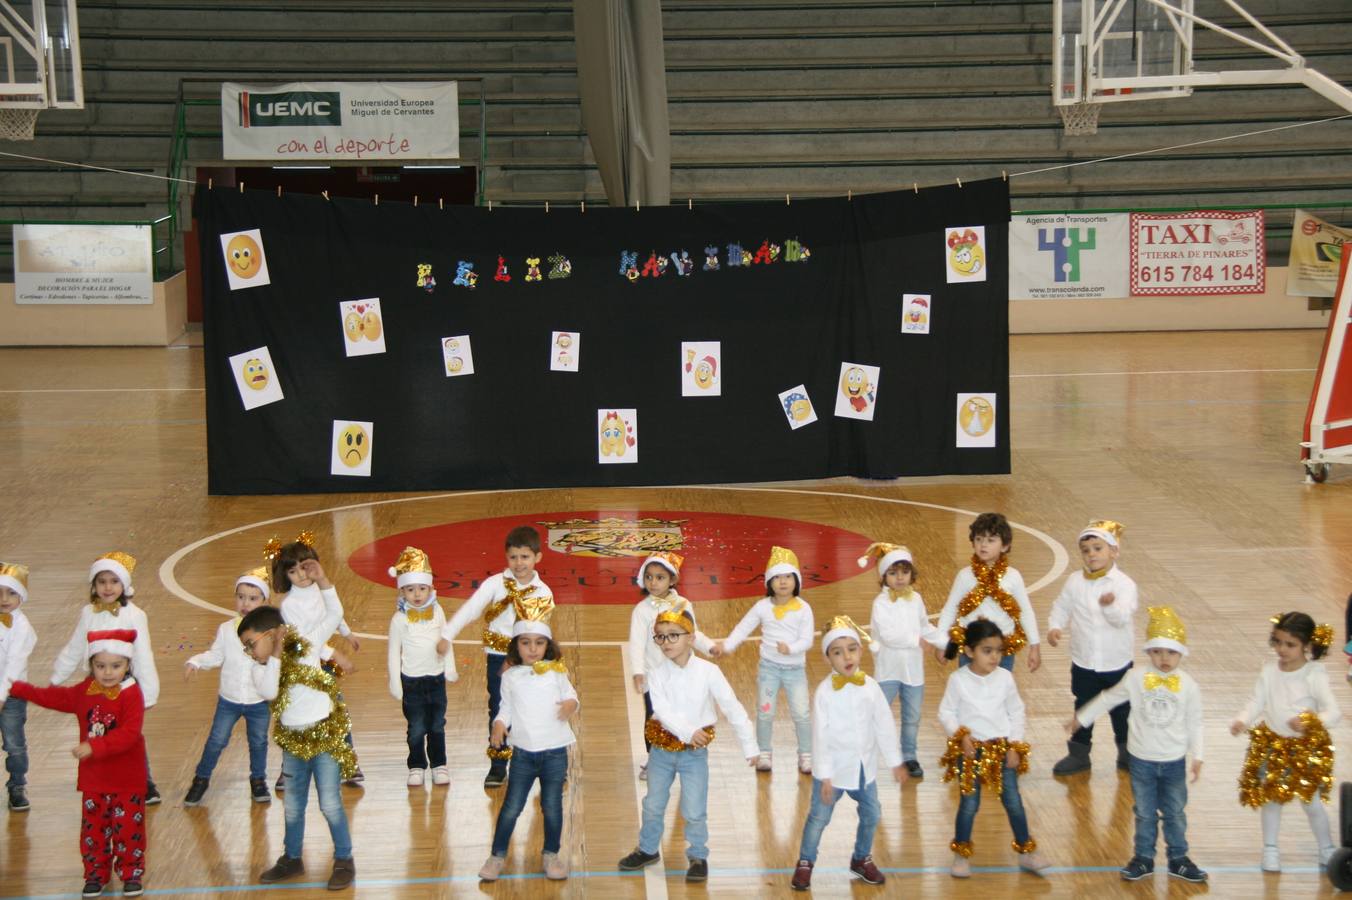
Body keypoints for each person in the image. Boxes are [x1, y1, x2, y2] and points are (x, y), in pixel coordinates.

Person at [618, 607, 757, 883]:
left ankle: (698, 854)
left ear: (691, 638)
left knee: (694, 808)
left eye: (673, 636)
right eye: (660, 637)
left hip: (694, 754)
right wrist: (688, 731)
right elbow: (662, 711)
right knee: (653, 803)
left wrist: (750, 745)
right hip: (661, 751)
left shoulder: (709, 671)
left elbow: (732, 707)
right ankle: (647, 848)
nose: (666, 643)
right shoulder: (655, 674)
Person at [241, 564, 357, 889]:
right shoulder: (260, 670)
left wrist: (323, 580)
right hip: (293, 742)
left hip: (324, 738)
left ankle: (344, 859)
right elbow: (270, 691)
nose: (249, 652)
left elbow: (334, 613)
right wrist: (273, 654)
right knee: (292, 805)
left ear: (271, 634)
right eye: (246, 647)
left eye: (252, 644)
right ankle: (292, 858)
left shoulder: (306, 648)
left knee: (330, 802)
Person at [1070, 606, 1206, 882]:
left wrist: (1198, 755)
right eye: (1157, 651)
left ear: (1181, 653)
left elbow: (1195, 721)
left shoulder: (1189, 685)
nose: (1164, 658)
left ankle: (1178, 858)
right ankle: (1143, 857)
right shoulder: (1136, 678)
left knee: (1175, 812)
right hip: (1141, 760)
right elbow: (1109, 697)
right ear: (1148, 652)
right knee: (1143, 812)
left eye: (1170, 652)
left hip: (1173, 761)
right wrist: (1082, 717)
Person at [10, 628, 148, 898]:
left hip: (126, 781)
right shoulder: (86, 690)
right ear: (91, 666)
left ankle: (131, 873)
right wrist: (19, 688)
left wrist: (94, 746)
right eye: (100, 666)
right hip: (94, 780)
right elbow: (57, 698)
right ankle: (95, 873)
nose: (108, 672)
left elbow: (129, 734)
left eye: (116, 666)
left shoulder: (131, 694)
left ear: (128, 664)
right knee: (93, 831)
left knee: (129, 831)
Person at [790, 615, 902, 891]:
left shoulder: (871, 688)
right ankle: (805, 862)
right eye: (837, 652)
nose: (846, 657)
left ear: (861, 651)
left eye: (851, 649)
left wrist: (896, 761)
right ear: (828, 658)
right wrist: (825, 776)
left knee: (872, 813)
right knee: (818, 818)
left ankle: (861, 858)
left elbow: (884, 726)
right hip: (833, 771)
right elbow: (821, 737)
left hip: (864, 768)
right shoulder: (825, 693)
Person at [438, 525, 553, 788]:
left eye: (525, 557)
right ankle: (498, 764)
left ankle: (536, 763)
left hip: (529, 660)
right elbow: (471, 609)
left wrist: (532, 658)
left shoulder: (543, 592)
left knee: (533, 710)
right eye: (513, 557)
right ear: (506, 557)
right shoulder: (495, 584)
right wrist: (448, 634)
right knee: (499, 709)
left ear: (537, 557)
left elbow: (539, 630)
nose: (519, 563)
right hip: (497, 658)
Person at [1231, 611, 1340, 873]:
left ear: (1307, 646)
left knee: (1311, 802)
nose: (1281, 649)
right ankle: (1270, 850)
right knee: (1271, 800)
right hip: (1273, 745)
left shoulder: (1314, 674)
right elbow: (1257, 700)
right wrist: (1243, 719)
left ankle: (1326, 849)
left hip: (1305, 748)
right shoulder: (1269, 671)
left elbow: (1333, 712)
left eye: (1290, 644)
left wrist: (1310, 721)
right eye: (1277, 642)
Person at [939, 619, 1048, 878]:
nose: (995, 657)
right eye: (987, 651)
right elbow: (946, 712)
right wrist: (961, 736)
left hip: (1001, 750)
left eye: (999, 651)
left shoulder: (1005, 678)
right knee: (969, 804)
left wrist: (1014, 745)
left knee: (1013, 802)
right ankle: (961, 854)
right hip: (970, 753)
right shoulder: (958, 680)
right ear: (969, 651)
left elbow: (1017, 712)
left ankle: (1026, 852)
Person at [51, 552, 161, 805]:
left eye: (114, 581)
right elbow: (76, 645)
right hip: (97, 685)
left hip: (126, 687)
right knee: (99, 732)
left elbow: (144, 654)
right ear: (94, 585)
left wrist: (149, 692)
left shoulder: (135, 615)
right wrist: (58, 675)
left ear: (124, 585)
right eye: (102, 581)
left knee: (128, 735)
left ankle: (145, 782)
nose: (108, 587)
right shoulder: (88, 613)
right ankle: (103, 780)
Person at [479, 612, 578, 882]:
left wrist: (571, 704)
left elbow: (571, 695)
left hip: (555, 753)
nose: (533, 649)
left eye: (539, 643)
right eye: (525, 643)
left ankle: (551, 854)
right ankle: (497, 855)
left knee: (552, 805)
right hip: (522, 754)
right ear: (516, 646)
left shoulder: (557, 672)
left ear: (548, 645)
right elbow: (506, 708)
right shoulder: (510, 677)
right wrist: (499, 724)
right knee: (512, 806)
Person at [712, 546, 815, 774]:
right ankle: (764, 752)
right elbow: (743, 628)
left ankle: (806, 755)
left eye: (788, 576)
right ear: (769, 582)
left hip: (795, 670)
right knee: (765, 712)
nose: (783, 582)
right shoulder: (762, 607)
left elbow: (807, 639)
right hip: (769, 668)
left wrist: (791, 648)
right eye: (777, 577)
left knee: (801, 713)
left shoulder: (804, 609)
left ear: (796, 580)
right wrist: (727, 646)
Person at [1047, 520, 1139, 775]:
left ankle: (1126, 753)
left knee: (1122, 710)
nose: (1091, 555)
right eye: (1086, 550)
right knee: (1084, 705)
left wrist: (1109, 605)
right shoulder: (1075, 582)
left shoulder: (1124, 585)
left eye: (1098, 548)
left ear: (1114, 551)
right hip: (1084, 660)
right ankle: (1079, 754)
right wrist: (1055, 626)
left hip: (1116, 661)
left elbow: (1121, 619)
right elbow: (1062, 606)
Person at [182, 566, 273, 806]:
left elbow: (276, 663)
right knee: (216, 740)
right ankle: (201, 779)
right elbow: (215, 655)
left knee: (259, 742)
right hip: (229, 701)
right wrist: (196, 662)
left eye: (253, 598)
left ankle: (258, 780)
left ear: (265, 601)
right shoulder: (226, 629)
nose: (245, 603)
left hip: (258, 701)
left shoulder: (271, 632)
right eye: (241, 597)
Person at [626, 551, 713, 780]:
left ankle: (685, 752)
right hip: (654, 677)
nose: (653, 582)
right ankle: (653, 759)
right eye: (649, 577)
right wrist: (637, 671)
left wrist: (710, 647)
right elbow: (635, 644)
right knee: (654, 717)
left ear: (673, 579)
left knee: (683, 712)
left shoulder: (683, 604)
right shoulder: (642, 611)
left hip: (682, 673)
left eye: (660, 577)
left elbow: (693, 632)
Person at [862, 542, 941, 779]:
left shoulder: (915, 599)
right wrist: (916, 639)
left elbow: (925, 627)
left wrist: (947, 643)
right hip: (888, 670)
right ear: (884, 576)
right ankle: (866, 754)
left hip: (913, 672)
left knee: (912, 717)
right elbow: (888, 635)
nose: (899, 578)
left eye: (904, 572)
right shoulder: (881, 603)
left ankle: (909, 756)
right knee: (878, 713)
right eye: (893, 573)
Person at [933, 513, 1041, 675]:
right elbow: (950, 610)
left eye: (991, 540)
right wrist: (941, 644)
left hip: (1003, 650)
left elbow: (1025, 612)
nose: (983, 545)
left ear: (1005, 546)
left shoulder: (1013, 576)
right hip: (971, 650)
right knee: (969, 693)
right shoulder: (965, 576)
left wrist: (1035, 645)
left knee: (1000, 694)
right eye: (978, 539)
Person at [386, 546, 456, 787]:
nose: (417, 594)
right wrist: (395, 682)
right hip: (412, 681)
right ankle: (416, 765)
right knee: (416, 727)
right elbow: (394, 651)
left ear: (431, 588)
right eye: (410, 589)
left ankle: (439, 764)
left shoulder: (438, 612)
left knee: (437, 724)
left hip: (435, 679)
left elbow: (447, 639)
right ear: (402, 590)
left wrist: (450, 668)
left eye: (422, 588)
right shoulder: (399, 619)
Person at [0, 562, 36, 812]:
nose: (4, 599)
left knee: (14, 743)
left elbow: (14, 664)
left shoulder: (22, 627)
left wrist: (2, 695)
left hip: (10, 696)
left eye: (11, 592)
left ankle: (17, 784)